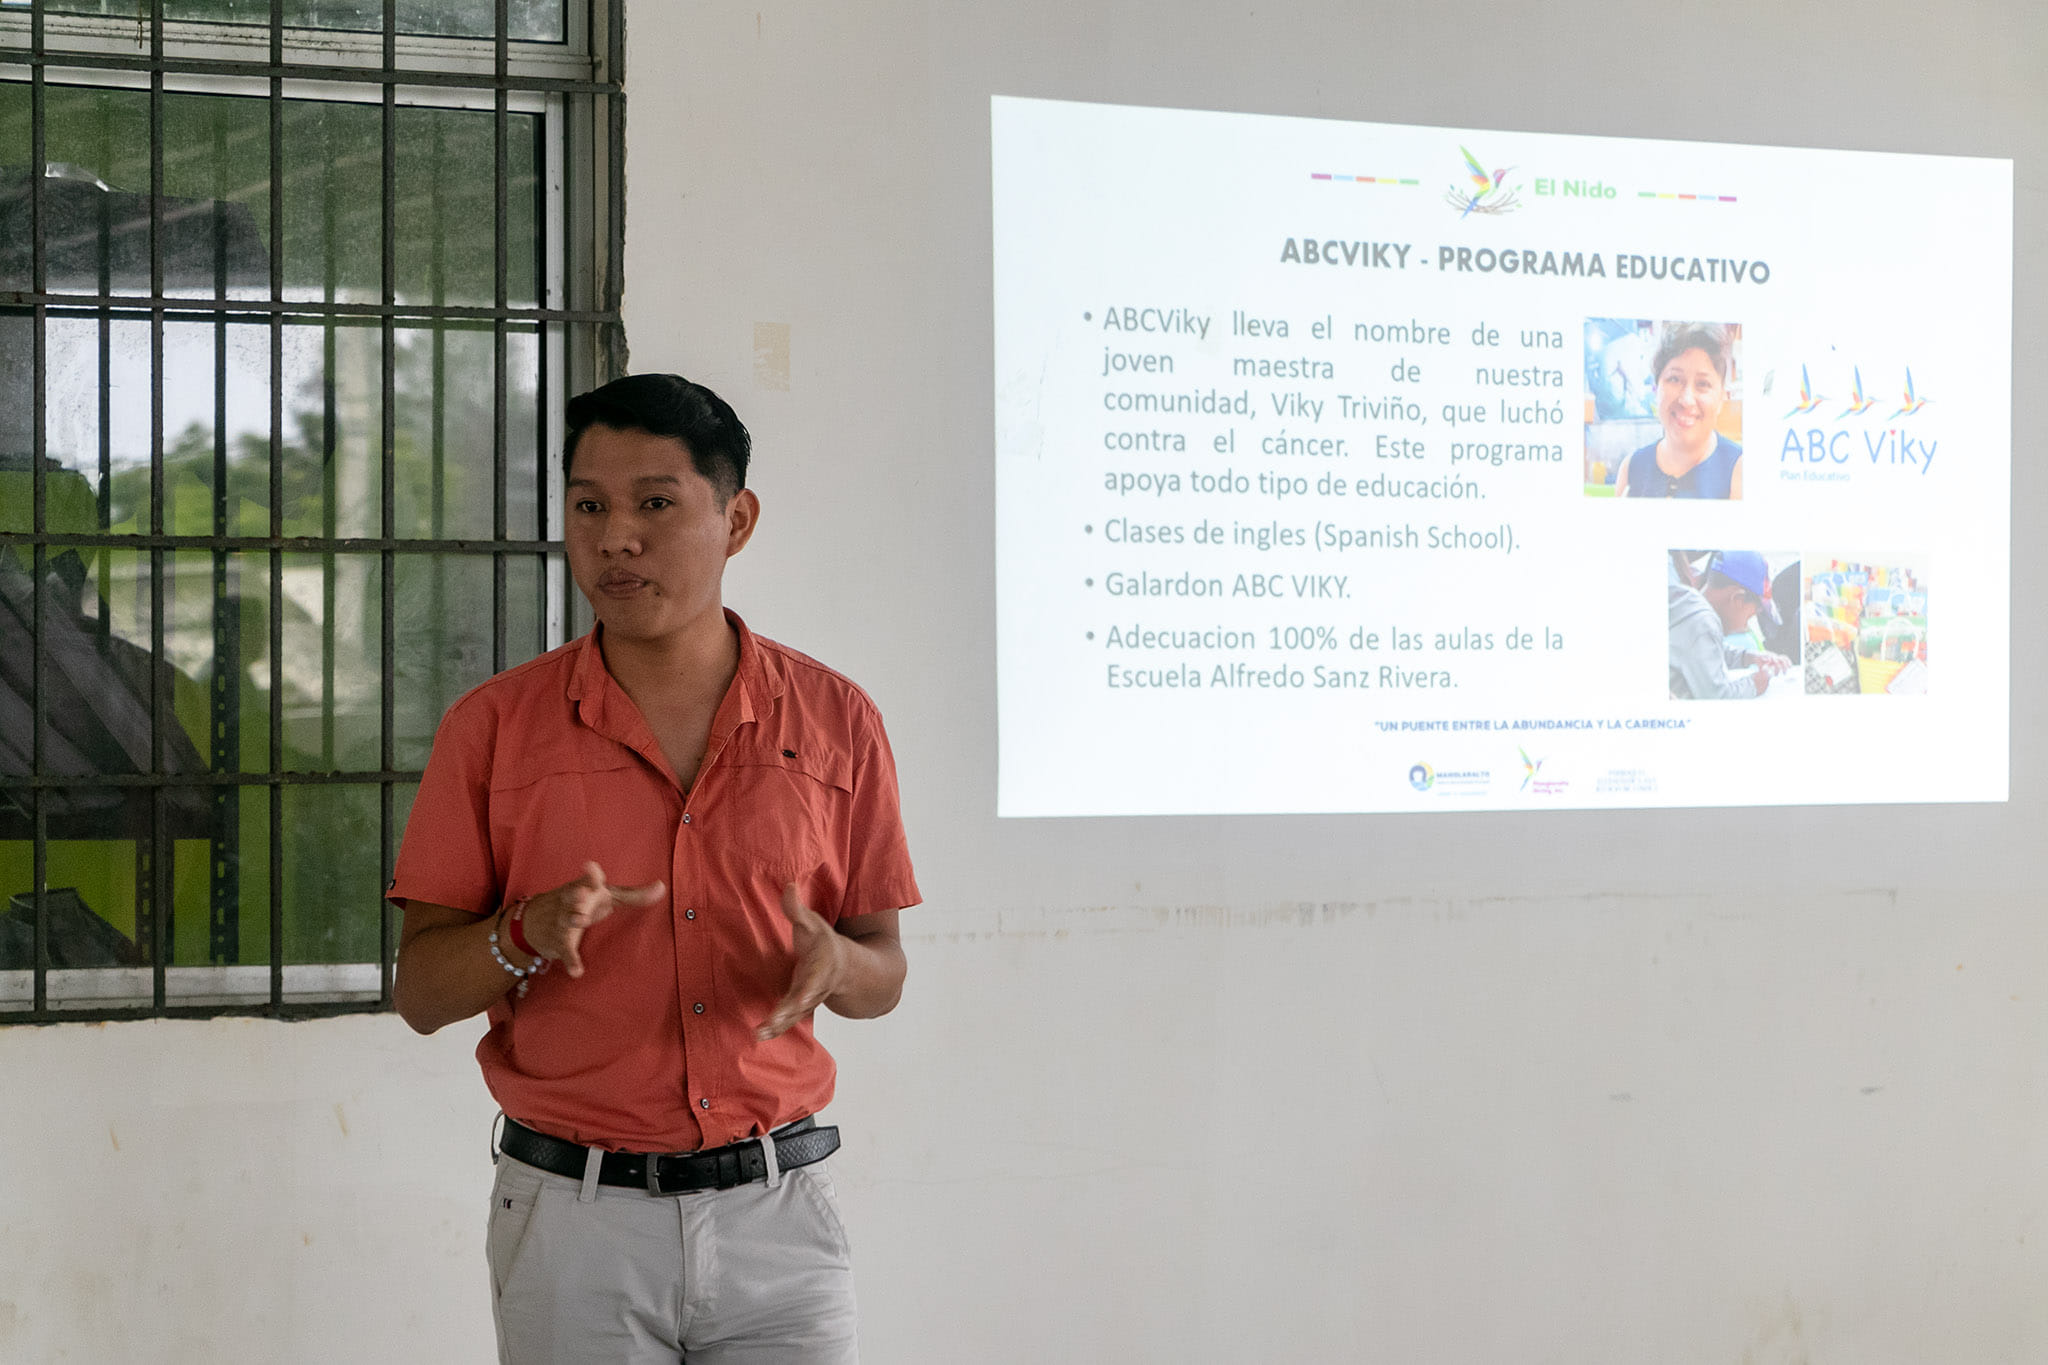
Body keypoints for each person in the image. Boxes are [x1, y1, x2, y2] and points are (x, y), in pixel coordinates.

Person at [388, 373, 920, 1364]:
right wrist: (521, 934)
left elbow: (882, 970)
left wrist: (839, 966)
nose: (616, 538)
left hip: (779, 1220)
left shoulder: (837, 719)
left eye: (655, 504)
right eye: (588, 506)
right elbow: (419, 993)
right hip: (575, 1223)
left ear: (737, 520)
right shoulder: (492, 728)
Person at [1615, 323, 1743, 499]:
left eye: (1703, 384)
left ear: (1722, 397)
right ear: (1656, 388)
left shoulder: (1740, 471)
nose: (1686, 400)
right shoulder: (1631, 470)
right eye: (1674, 379)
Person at [1669, 549, 1792, 698]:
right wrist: (1755, 684)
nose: (1746, 627)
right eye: (1749, 618)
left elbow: (1707, 651)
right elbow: (1716, 697)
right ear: (1737, 599)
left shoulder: (1691, 607)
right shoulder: (1702, 622)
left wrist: (1748, 657)